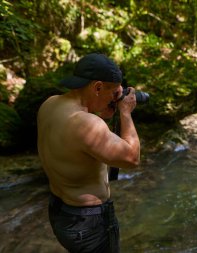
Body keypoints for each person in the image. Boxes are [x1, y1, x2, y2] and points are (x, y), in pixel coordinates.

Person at [37, 53, 140, 253]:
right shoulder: (86, 124)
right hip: (88, 222)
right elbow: (132, 158)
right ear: (98, 87)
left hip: (61, 212)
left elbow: (82, 144)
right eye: (113, 93)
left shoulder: (50, 104)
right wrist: (125, 113)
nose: (115, 99)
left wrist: (104, 115)